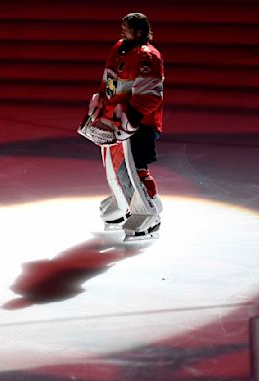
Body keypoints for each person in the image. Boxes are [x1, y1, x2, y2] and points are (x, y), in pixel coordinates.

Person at [87, 12, 164, 237]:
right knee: (113, 164)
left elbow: (149, 95)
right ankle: (123, 201)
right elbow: (108, 79)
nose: (122, 31)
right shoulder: (119, 47)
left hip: (139, 122)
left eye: (127, 28)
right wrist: (100, 100)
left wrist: (131, 118)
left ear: (139, 31)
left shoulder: (149, 56)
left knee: (134, 167)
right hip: (113, 117)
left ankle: (148, 210)